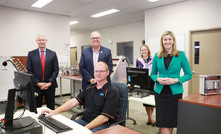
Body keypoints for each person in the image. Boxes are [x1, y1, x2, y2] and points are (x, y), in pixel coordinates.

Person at [41, 61, 119, 133]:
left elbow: (104, 118)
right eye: (96, 71)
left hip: (102, 125)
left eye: (101, 71)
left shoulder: (111, 90)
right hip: (84, 120)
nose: (98, 73)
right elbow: (74, 101)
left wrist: (84, 128)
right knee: (64, 130)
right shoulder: (89, 87)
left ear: (107, 72)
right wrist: (54, 112)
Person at [150, 31, 192, 134]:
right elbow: (152, 74)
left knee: (170, 122)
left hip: (175, 94)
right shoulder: (157, 55)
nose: (167, 41)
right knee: (163, 122)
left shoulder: (180, 55)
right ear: (162, 41)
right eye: (165, 39)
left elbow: (188, 74)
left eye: (169, 39)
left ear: (173, 41)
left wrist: (176, 80)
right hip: (160, 93)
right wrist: (158, 79)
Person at [26, 34, 59, 110]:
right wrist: (37, 83)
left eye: (43, 40)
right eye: (39, 40)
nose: (41, 41)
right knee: (36, 108)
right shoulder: (31, 54)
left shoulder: (53, 54)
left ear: (46, 41)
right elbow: (29, 70)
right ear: (36, 41)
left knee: (51, 107)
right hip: (36, 86)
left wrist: (50, 83)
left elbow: (56, 70)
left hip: (50, 86)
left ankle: (51, 121)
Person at [136, 44, 155, 126]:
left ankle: (149, 118)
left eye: (145, 49)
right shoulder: (139, 60)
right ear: (140, 51)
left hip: (152, 81)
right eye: (142, 50)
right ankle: (150, 118)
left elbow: (156, 70)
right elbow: (137, 71)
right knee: (146, 102)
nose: (144, 51)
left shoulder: (153, 59)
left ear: (148, 50)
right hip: (143, 82)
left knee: (152, 101)